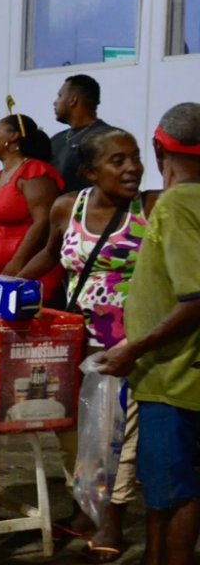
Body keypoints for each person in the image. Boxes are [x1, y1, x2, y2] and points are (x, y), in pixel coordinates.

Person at [21, 127, 158, 560]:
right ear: (89, 172)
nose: (133, 167)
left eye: (135, 157)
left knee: (119, 436)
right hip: (73, 345)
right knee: (77, 434)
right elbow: (52, 253)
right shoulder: (68, 206)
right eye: (118, 160)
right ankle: (86, 509)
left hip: (126, 347)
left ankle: (113, 521)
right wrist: (8, 285)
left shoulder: (151, 208)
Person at [97, 103, 200, 565]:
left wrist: (135, 347)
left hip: (174, 381)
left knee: (178, 494)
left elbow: (195, 298)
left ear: (159, 149)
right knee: (163, 494)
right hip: (175, 376)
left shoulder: (177, 204)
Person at [0, 114, 65, 301]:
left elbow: (43, 221)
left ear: (14, 136)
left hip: (24, 273)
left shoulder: (34, 171)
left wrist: (17, 264)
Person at [52, 74, 116, 195]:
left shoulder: (109, 138)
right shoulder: (56, 139)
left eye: (60, 96)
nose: (55, 102)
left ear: (73, 100)